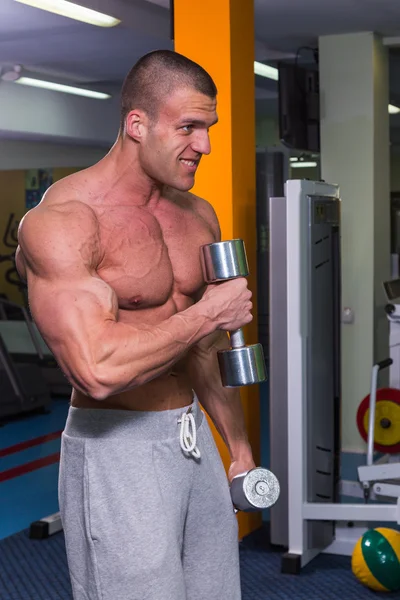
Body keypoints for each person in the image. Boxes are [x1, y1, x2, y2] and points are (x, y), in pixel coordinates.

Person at [16, 50, 256, 600]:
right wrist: (206, 314)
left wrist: (238, 447)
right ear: (136, 124)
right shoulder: (65, 220)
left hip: (194, 439)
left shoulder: (198, 215)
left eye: (209, 128)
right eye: (189, 127)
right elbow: (95, 368)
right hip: (117, 449)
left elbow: (202, 349)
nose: (206, 146)